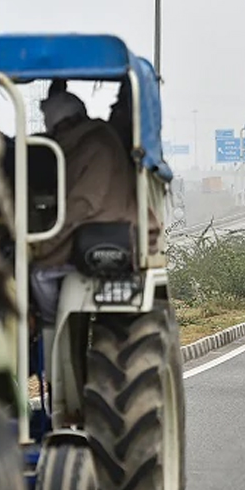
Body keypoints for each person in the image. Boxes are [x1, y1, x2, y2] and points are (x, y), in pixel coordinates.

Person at [29, 87, 158, 325]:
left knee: (39, 273)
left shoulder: (89, 147)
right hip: (116, 229)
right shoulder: (94, 140)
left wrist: (44, 245)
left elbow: (81, 206)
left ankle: (50, 329)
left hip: (102, 234)